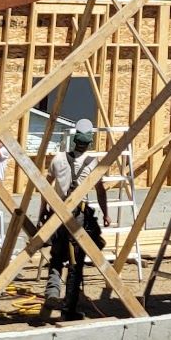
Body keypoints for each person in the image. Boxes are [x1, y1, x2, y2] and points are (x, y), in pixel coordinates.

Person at [44, 119, 108, 318]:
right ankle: (69, 308)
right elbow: (100, 191)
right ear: (89, 142)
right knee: (76, 262)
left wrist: (42, 215)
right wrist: (106, 213)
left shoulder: (58, 159)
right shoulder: (91, 163)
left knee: (57, 257)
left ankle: (52, 293)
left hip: (57, 215)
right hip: (78, 218)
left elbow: (45, 188)